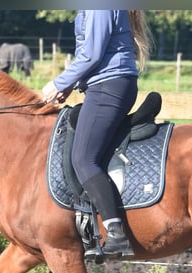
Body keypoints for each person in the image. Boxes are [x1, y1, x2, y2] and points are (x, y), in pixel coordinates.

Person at [42, 10, 152, 259]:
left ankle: (115, 231)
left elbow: (92, 54)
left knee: (83, 159)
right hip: (105, 85)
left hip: (108, 87)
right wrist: (71, 85)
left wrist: (59, 83)